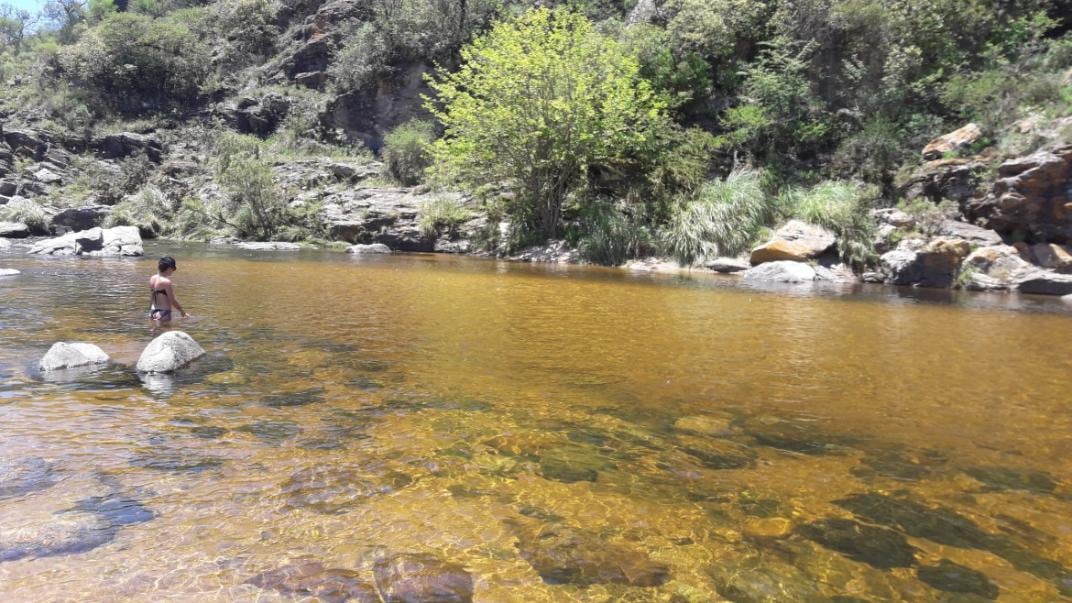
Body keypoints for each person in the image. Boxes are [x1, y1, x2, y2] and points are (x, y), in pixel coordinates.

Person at [149, 256, 189, 322]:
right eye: (173, 269)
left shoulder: (152, 278)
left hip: (152, 311)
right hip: (164, 313)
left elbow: (151, 297)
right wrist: (182, 312)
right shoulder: (166, 282)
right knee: (166, 331)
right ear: (169, 268)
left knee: (155, 331)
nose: (173, 271)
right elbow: (172, 300)